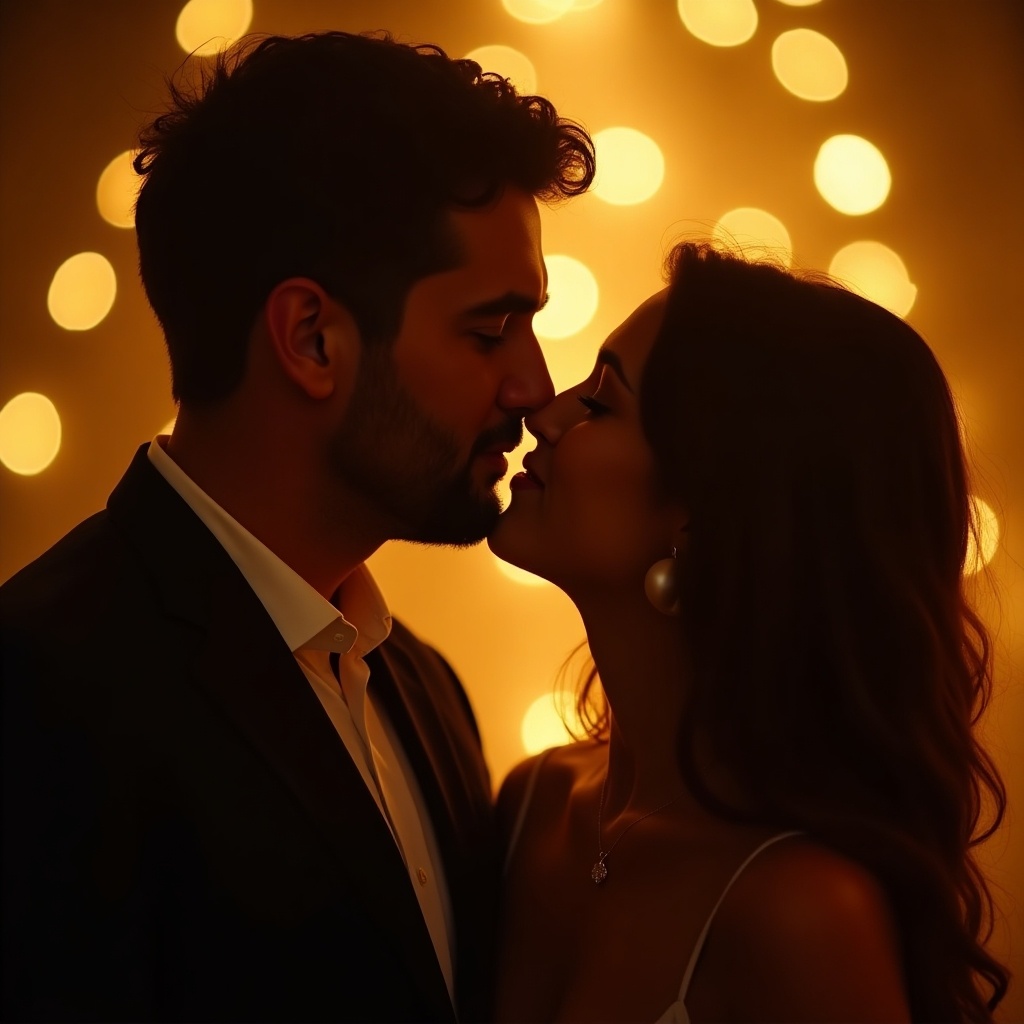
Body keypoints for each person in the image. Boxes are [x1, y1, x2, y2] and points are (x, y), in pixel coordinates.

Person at [0, 30, 594, 1022]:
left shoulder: (421, 686)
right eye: (489, 331)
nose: (533, 388)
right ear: (312, 339)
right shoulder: (40, 694)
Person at [489, 242, 1008, 1022]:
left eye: (599, 403)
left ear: (708, 511)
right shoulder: (535, 802)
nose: (545, 412)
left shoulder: (800, 912)